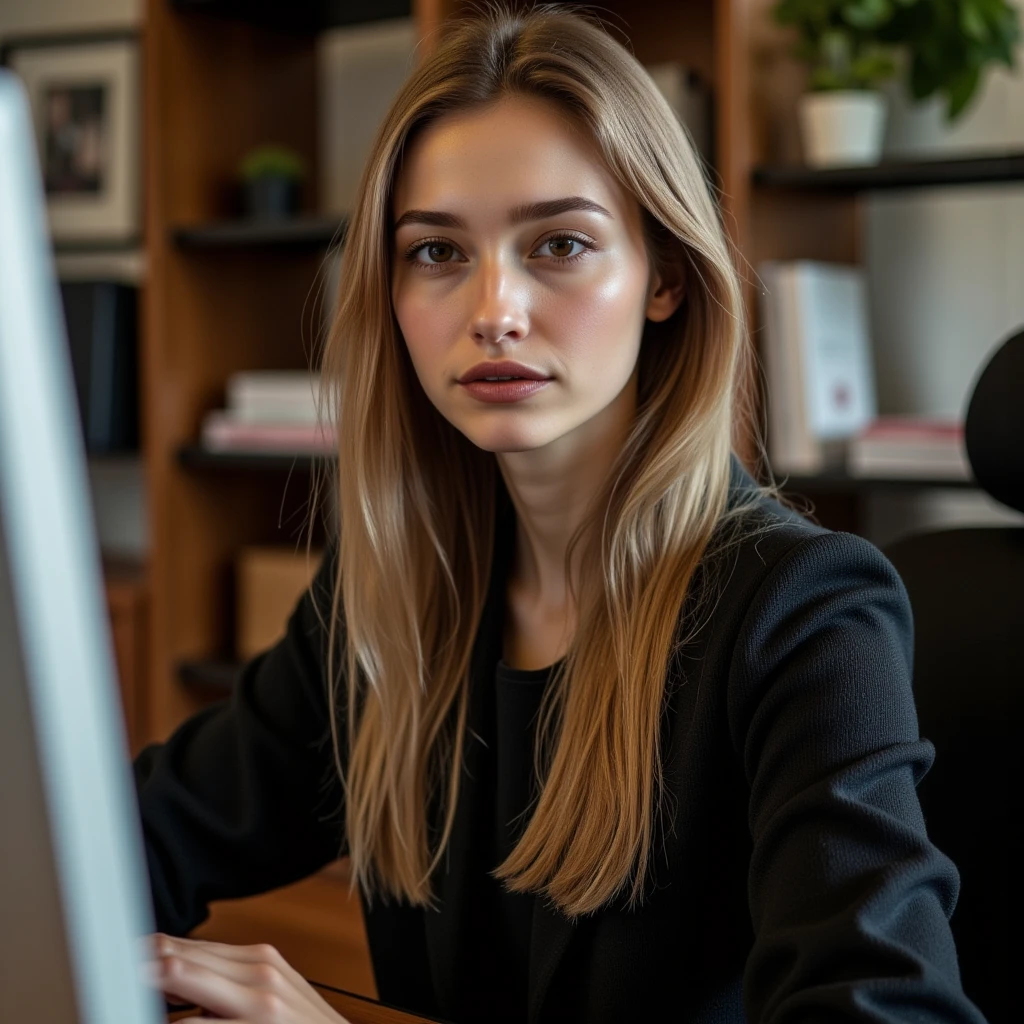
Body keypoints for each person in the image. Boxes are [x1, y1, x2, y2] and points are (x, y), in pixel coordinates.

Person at [135, 5, 987, 1023]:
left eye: (560, 243)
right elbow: (124, 842)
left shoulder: (804, 614)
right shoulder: (390, 598)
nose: (493, 307)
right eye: (438, 253)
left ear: (665, 275)